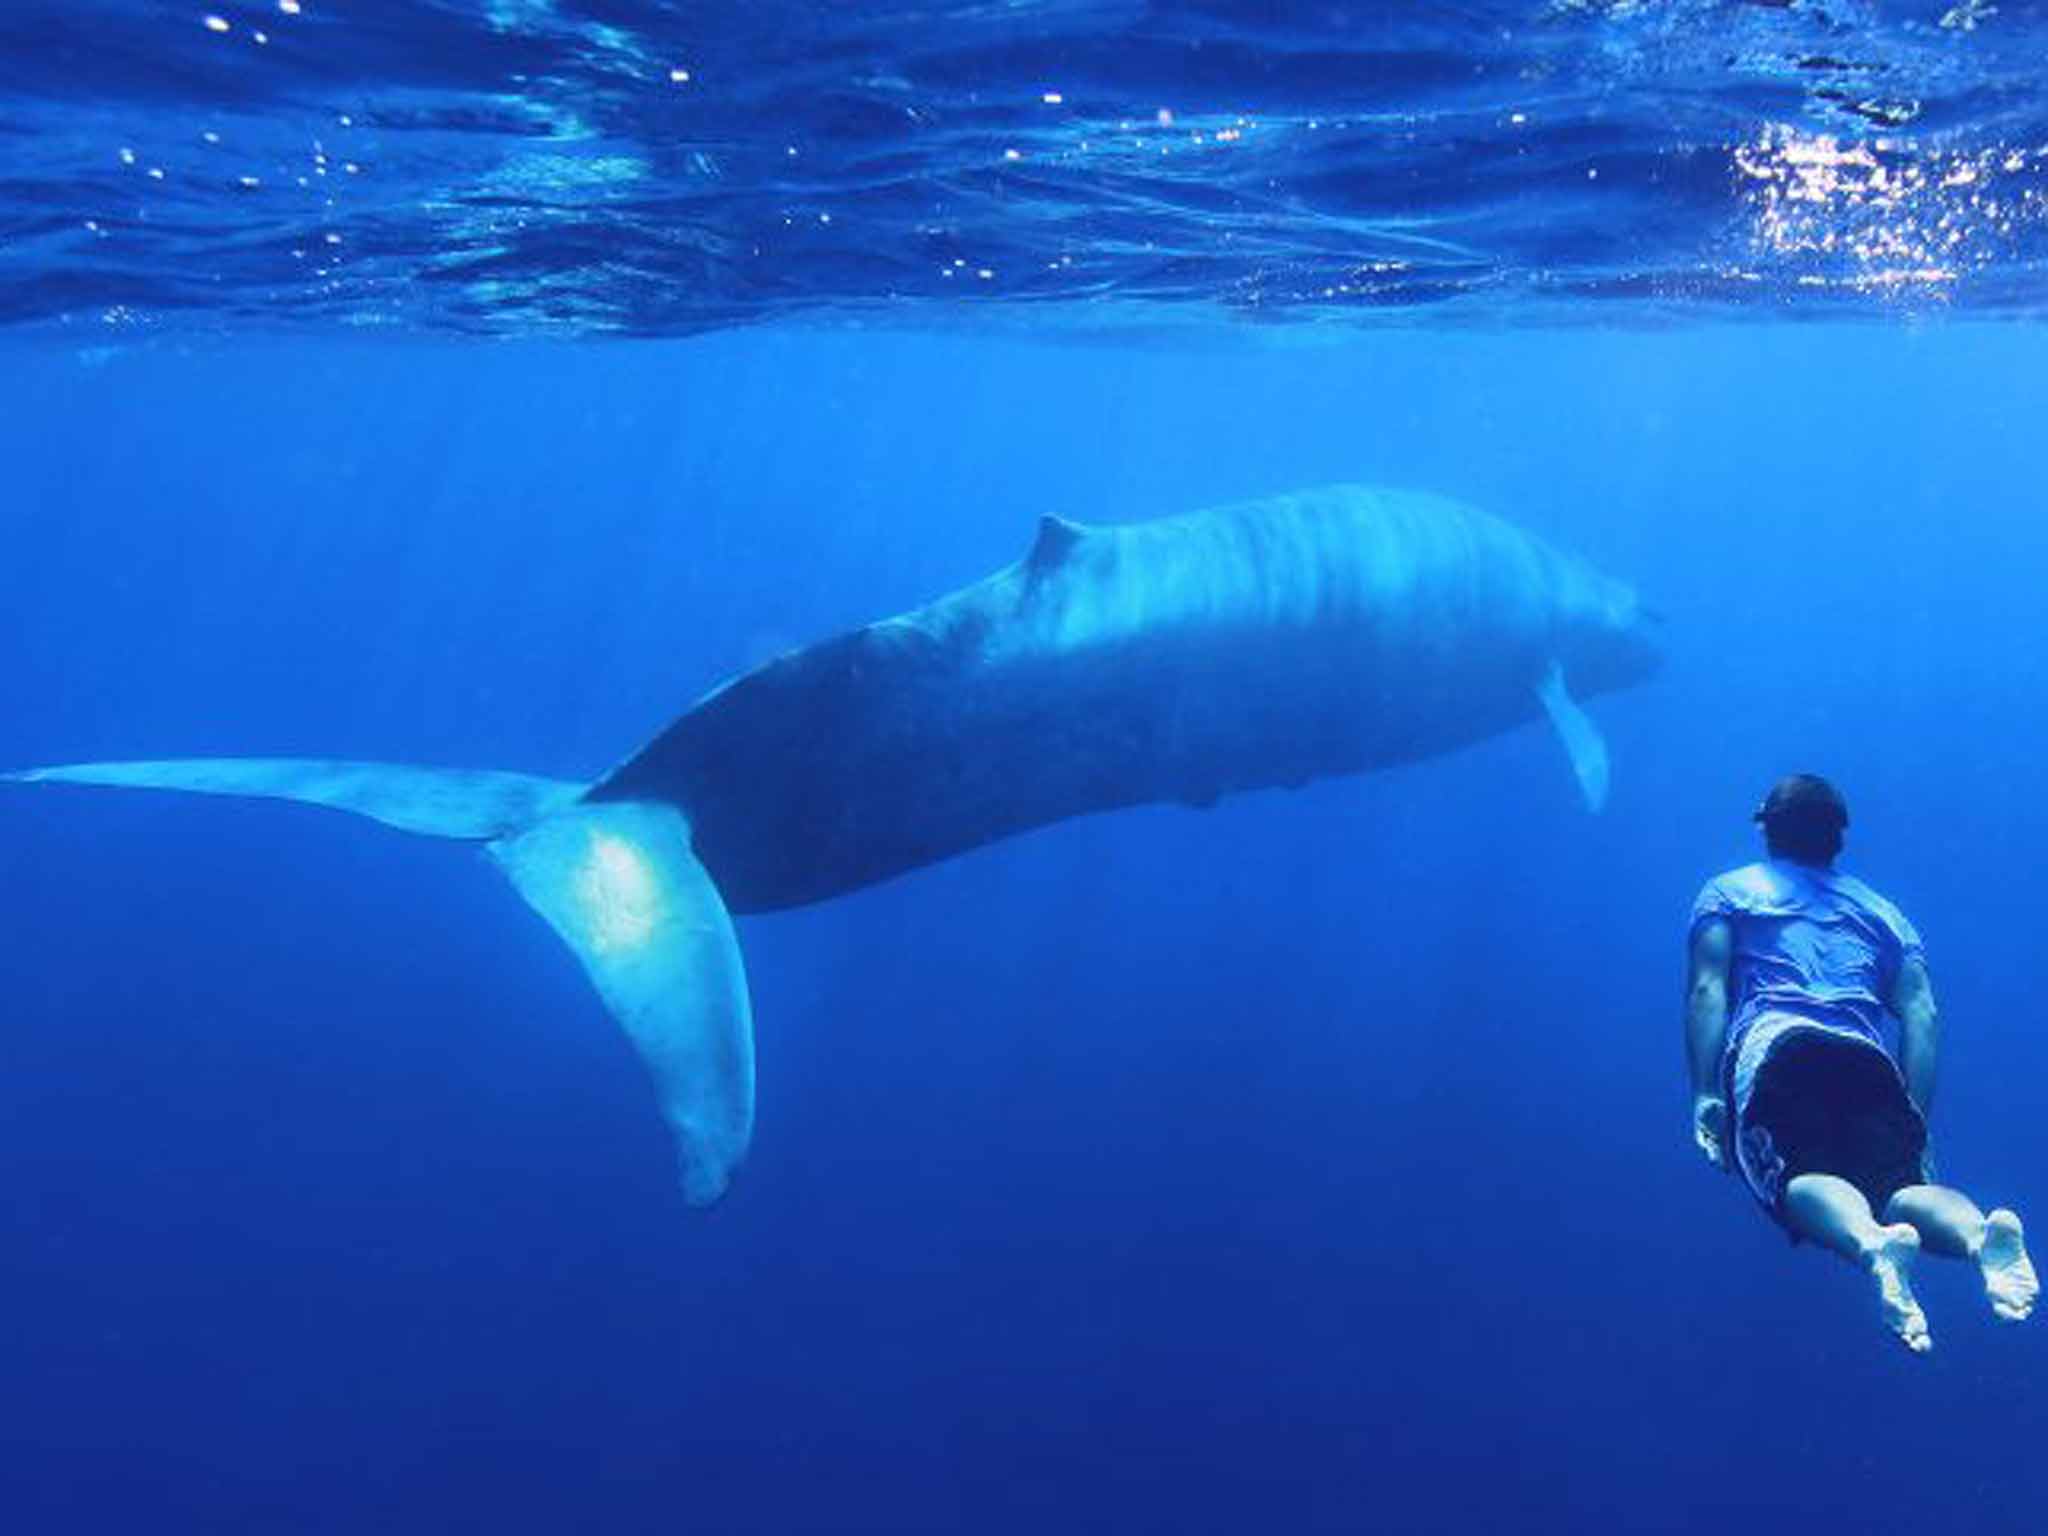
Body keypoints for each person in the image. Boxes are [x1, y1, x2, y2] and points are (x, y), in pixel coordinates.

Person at [1686, 773, 2037, 1353]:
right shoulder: (1885, 914)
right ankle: (1979, 1236)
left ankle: (1870, 1243)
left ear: (1767, 830)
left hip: (1777, 1048)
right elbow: (1921, 1014)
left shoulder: (1728, 891)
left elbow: (1707, 991)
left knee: (1798, 1181)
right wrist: (1915, 1118)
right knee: (1902, 1186)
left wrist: (1705, 1092)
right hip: (1866, 1059)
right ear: (1838, 839)